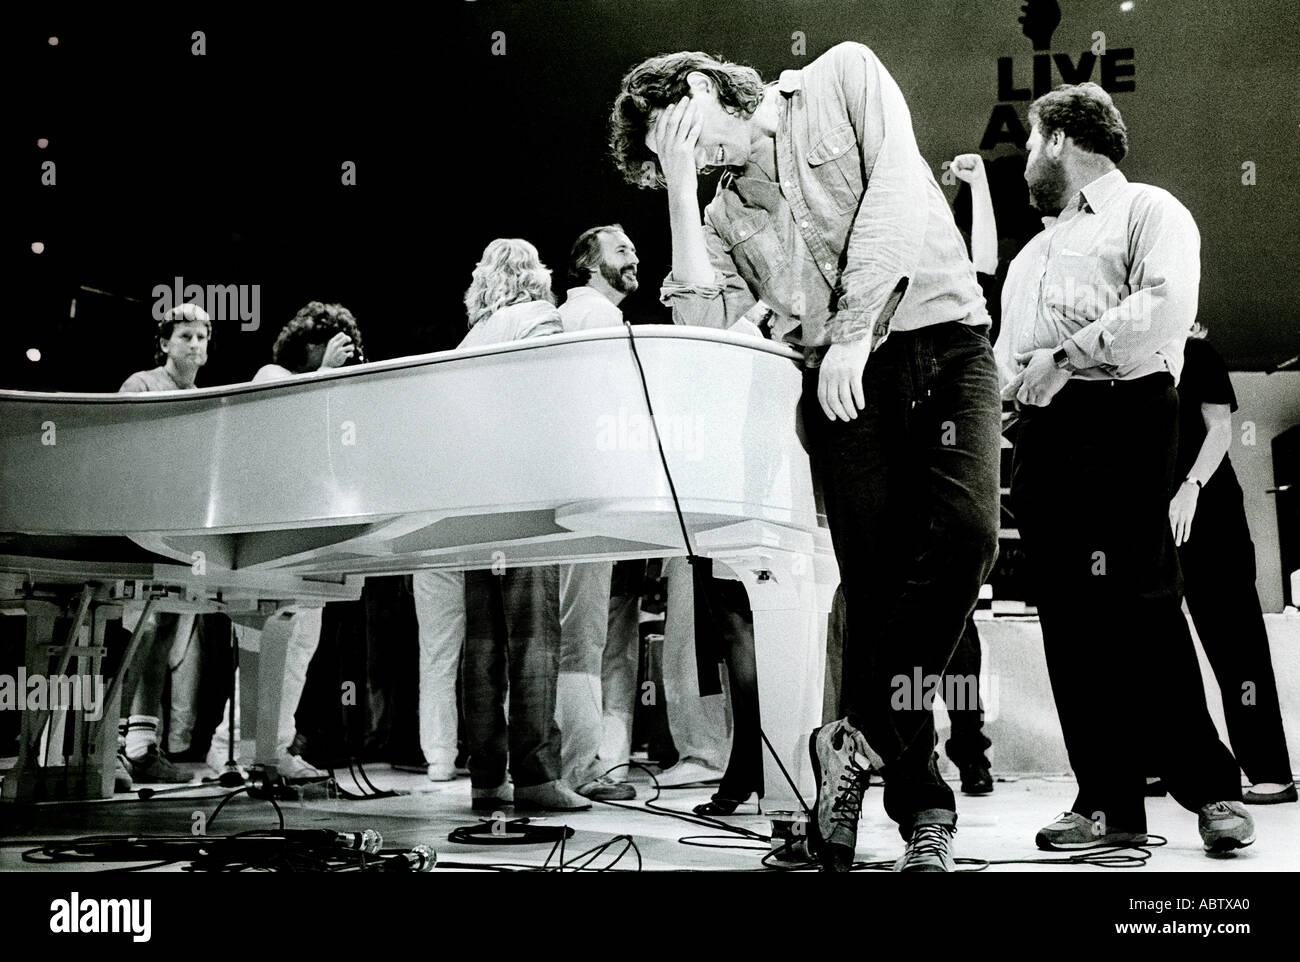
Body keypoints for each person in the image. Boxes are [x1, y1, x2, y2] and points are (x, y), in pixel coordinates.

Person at [611, 41, 1002, 872]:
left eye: (680, 134)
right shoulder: (718, 213)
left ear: (702, 85)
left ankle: (852, 735)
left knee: (968, 537)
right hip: (839, 382)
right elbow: (701, 331)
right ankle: (922, 807)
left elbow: (897, 190)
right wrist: (681, 187)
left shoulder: (842, 75)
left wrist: (857, 326)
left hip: (944, 342)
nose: (686, 155)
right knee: (873, 595)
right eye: (662, 158)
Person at [995, 82, 1256, 854]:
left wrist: (1064, 359)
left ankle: (1210, 791)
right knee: (1071, 623)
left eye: (1033, 145)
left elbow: (1166, 304)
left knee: (1144, 600)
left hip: (1124, 410)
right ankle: (1104, 805)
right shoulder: (1032, 253)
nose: (1025, 165)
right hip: (1045, 432)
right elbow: (1009, 356)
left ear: (1066, 139)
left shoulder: (1150, 209)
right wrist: (1019, 391)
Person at [206, 302, 366, 782]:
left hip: (303, 538)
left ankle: (267, 748)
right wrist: (324, 374)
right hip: (264, 540)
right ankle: (236, 750)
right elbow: (281, 427)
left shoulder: (324, 390)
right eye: (329, 342)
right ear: (308, 346)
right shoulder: (271, 374)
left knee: (296, 652)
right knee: (263, 647)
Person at [460, 238, 589, 813]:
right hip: (525, 493)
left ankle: (486, 778)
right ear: (534, 275)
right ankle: (536, 776)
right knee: (535, 639)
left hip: (473, 504)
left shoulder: (471, 335)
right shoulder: (541, 318)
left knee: (482, 645)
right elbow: (549, 401)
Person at [1170, 323, 1294, 804]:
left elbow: (1220, 429)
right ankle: (1166, 763)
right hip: (1151, 518)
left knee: (1235, 642)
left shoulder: (1197, 354)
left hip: (1209, 513)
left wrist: (1191, 487)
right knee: (1152, 643)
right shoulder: (1130, 358)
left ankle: (1269, 772)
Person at [554, 225, 641, 802]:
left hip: (575, 486)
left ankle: (569, 762)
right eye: (621, 251)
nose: (634, 257)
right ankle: (580, 766)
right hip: (593, 487)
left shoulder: (573, 315)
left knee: (572, 634)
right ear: (588, 264)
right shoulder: (598, 318)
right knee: (582, 636)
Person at [115, 302, 214, 789]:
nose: (194, 345)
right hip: (141, 528)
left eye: (201, 337)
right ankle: (109, 746)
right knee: (140, 634)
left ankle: (141, 747)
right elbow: (127, 454)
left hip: (184, 535)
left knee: (168, 634)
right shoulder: (141, 385)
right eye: (185, 336)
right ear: (163, 343)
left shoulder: (209, 397)